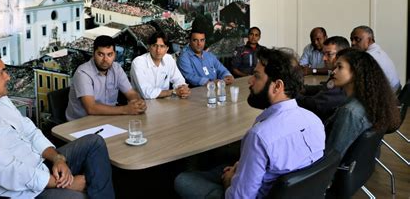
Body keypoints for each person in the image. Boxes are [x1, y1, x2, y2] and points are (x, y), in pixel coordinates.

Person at [0, 48, 114, 198]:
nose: (8, 77)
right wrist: (67, 183)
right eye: (2, 72)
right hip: (22, 193)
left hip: (40, 166)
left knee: (94, 142)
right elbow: (12, 173)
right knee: (79, 196)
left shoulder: (1, 100)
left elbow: (30, 132)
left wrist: (57, 159)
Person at [175, 48, 325, 198]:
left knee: (183, 180)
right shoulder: (314, 121)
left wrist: (230, 180)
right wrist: (240, 168)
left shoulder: (260, 136)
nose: (250, 80)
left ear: (278, 86)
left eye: (257, 76)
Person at [326, 48, 400, 157]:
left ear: (356, 72)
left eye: (339, 67)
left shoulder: (350, 112)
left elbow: (333, 155)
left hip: (333, 169)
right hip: (361, 164)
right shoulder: (371, 101)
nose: (334, 71)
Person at [66, 35, 146, 121]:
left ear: (114, 55)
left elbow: (130, 93)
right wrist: (126, 109)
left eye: (109, 54)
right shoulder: (83, 73)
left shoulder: (117, 69)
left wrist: (137, 102)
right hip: (80, 124)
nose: (105, 59)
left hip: (108, 118)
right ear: (93, 54)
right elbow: (91, 108)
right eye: (101, 54)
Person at [296, 36, 349, 122]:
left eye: (329, 54)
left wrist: (291, 94)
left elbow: (315, 105)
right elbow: (324, 88)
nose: (324, 58)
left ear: (341, 55)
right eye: (323, 54)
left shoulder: (342, 79)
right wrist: (304, 89)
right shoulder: (334, 73)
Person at [130, 31, 191, 99]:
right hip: (142, 104)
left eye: (162, 46)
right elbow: (147, 93)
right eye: (155, 46)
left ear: (167, 49)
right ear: (149, 47)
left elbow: (179, 79)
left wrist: (182, 88)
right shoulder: (138, 63)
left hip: (164, 102)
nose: (158, 50)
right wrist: (173, 91)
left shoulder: (169, 59)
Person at [350, 25, 401, 93]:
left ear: (369, 40)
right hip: (395, 93)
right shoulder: (379, 52)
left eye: (357, 39)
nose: (353, 43)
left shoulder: (369, 57)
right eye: (351, 39)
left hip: (388, 98)